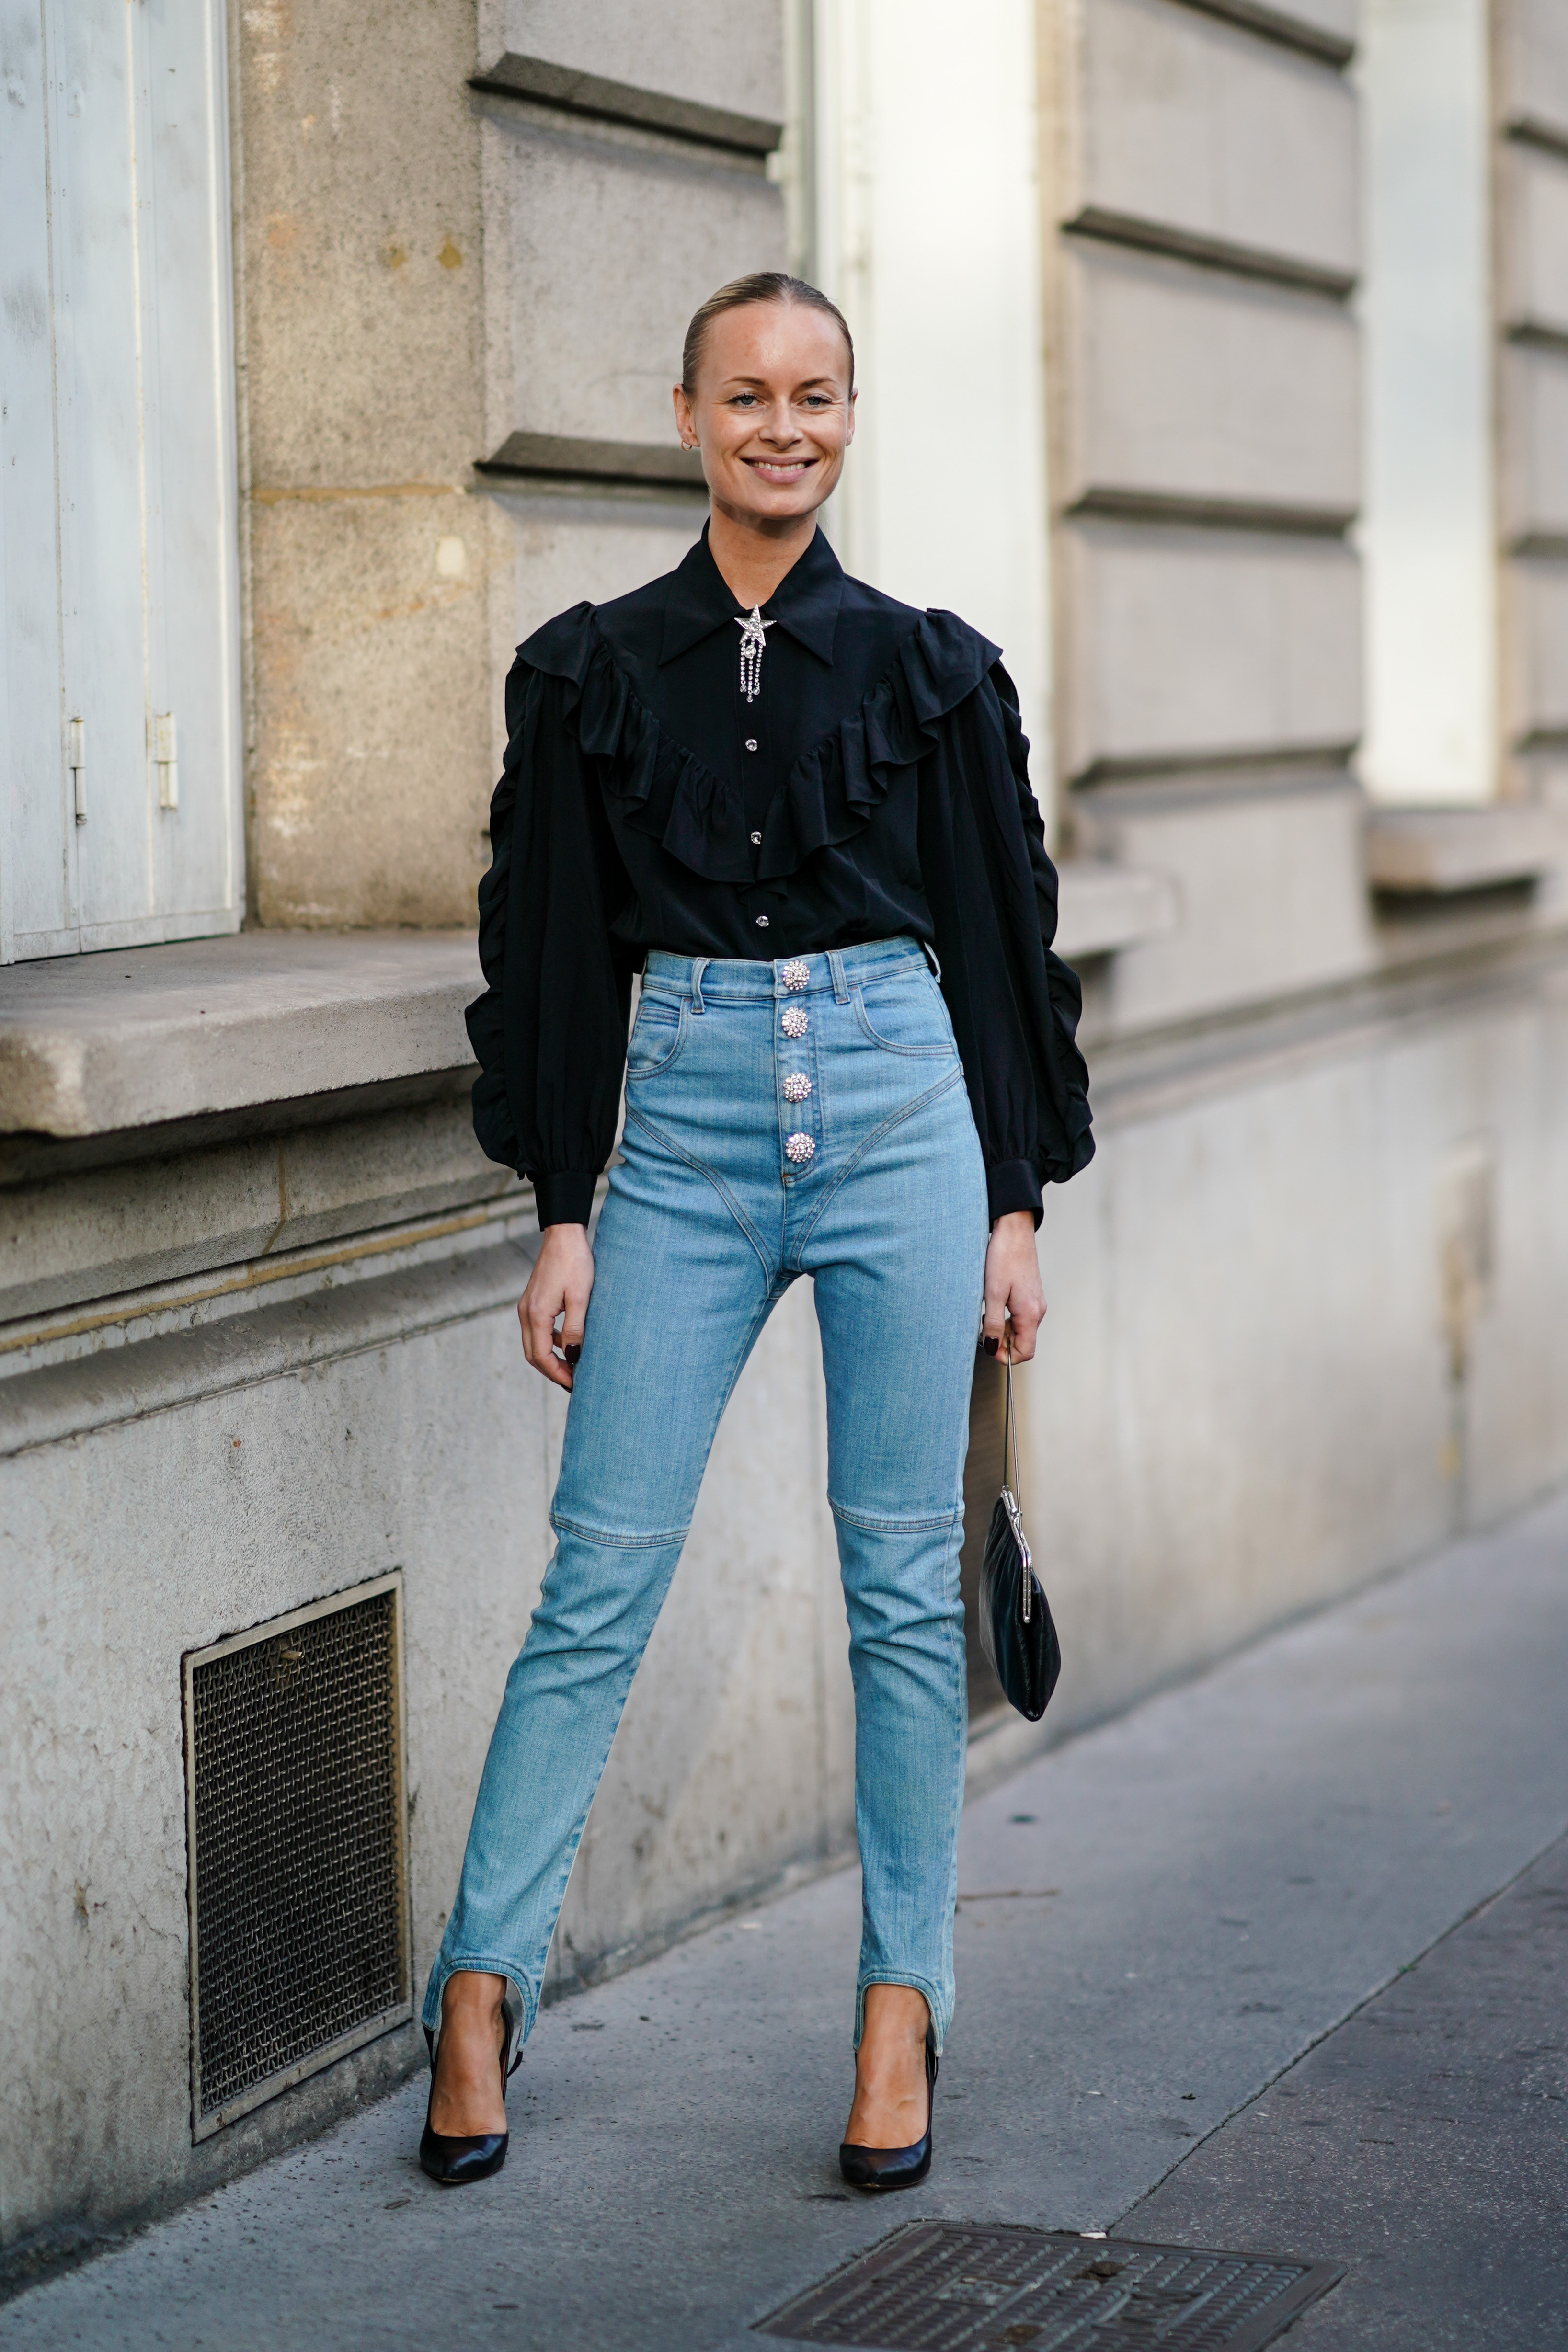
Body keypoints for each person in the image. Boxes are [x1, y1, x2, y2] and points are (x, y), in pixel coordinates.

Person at [419, 272, 1093, 2191]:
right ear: (690, 416)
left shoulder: (936, 674)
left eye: (814, 395)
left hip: (903, 1118)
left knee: (899, 1593)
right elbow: (547, 953)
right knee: (599, 1576)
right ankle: (483, 1985)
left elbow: (1003, 943)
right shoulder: (588, 676)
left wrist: (1016, 1203)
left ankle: (903, 2007)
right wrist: (564, 1208)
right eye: (745, 396)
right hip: (686, 1132)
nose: (780, 425)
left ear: (850, 418)